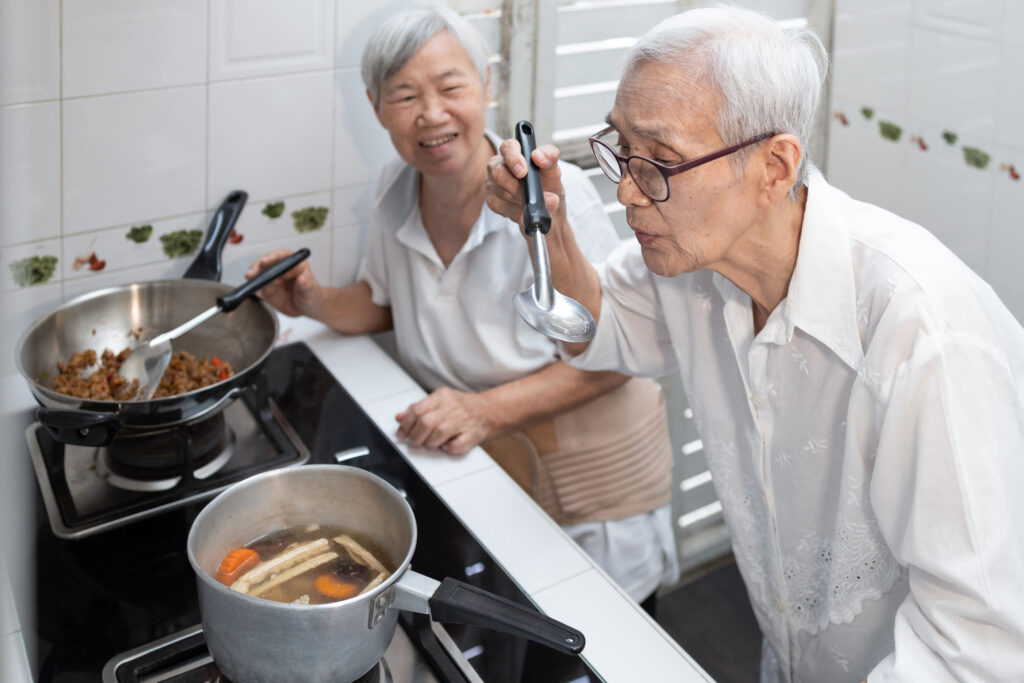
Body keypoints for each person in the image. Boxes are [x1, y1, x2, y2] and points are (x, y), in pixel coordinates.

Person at [485, 5, 1024, 683]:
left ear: (774, 167)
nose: (625, 191)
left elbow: (977, 651)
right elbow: (598, 329)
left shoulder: (922, 330)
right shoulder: (694, 263)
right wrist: (548, 226)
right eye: (620, 148)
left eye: (660, 162)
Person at [247, 4, 679, 612]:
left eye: (450, 87)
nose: (431, 114)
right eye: (404, 96)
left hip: (587, 481)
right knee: (510, 631)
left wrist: (481, 410)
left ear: (486, 84)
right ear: (375, 107)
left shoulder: (551, 199)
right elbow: (385, 303)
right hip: (482, 470)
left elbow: (618, 354)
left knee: (596, 638)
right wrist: (313, 301)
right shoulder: (396, 188)